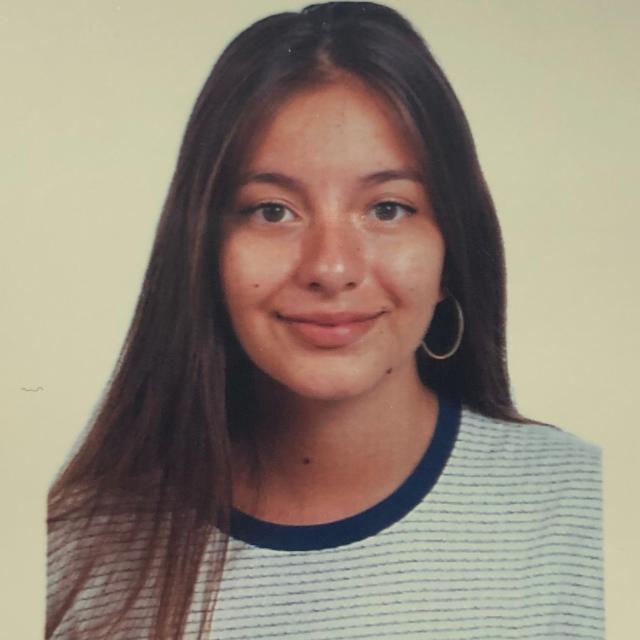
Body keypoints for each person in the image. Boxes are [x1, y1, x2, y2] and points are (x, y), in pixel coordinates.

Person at [46, 2, 603, 638]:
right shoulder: (71, 552)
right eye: (273, 211)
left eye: (388, 209)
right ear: (202, 251)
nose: (331, 268)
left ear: (451, 249)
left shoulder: (583, 509)